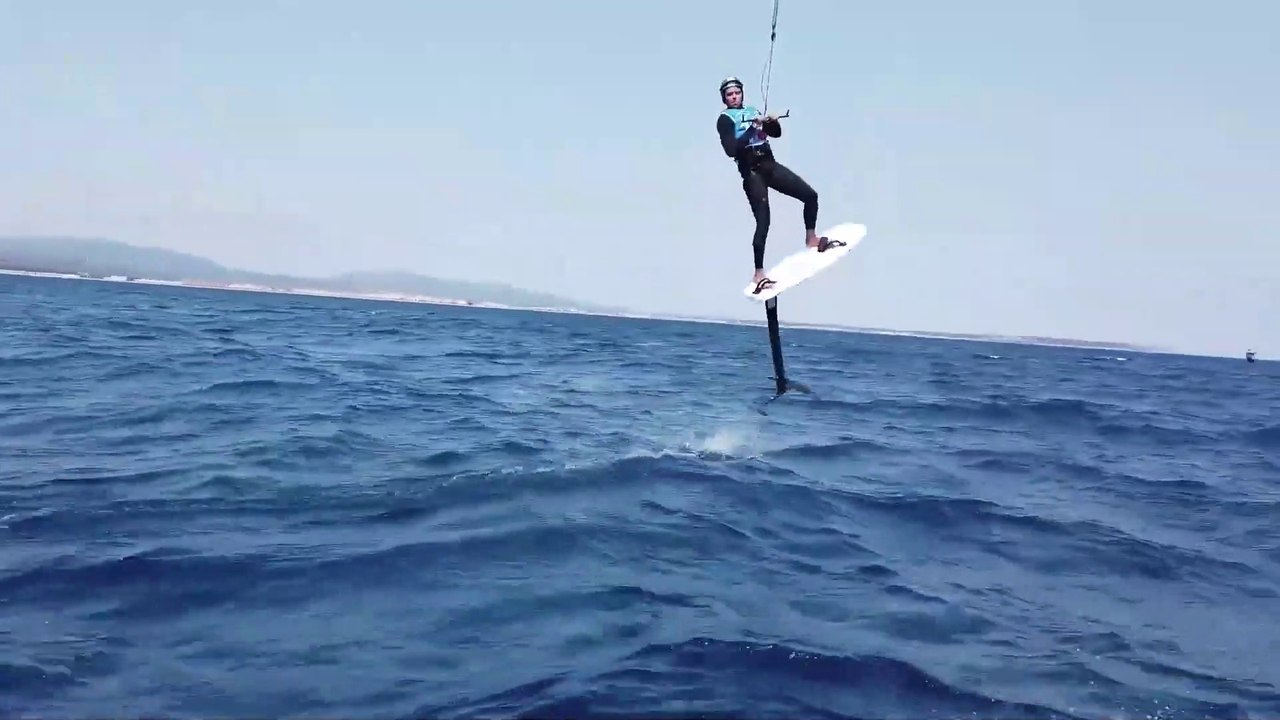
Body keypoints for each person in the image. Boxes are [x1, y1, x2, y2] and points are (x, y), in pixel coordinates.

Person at [716, 76, 841, 294]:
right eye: (729, 95)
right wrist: (750, 130)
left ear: (742, 93)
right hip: (752, 171)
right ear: (725, 98)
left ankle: (811, 238)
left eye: (737, 93)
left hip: (768, 164)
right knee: (764, 222)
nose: (734, 97)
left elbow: (776, 134)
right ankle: (758, 274)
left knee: (810, 196)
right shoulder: (725, 119)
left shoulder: (754, 110)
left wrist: (770, 123)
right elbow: (730, 150)